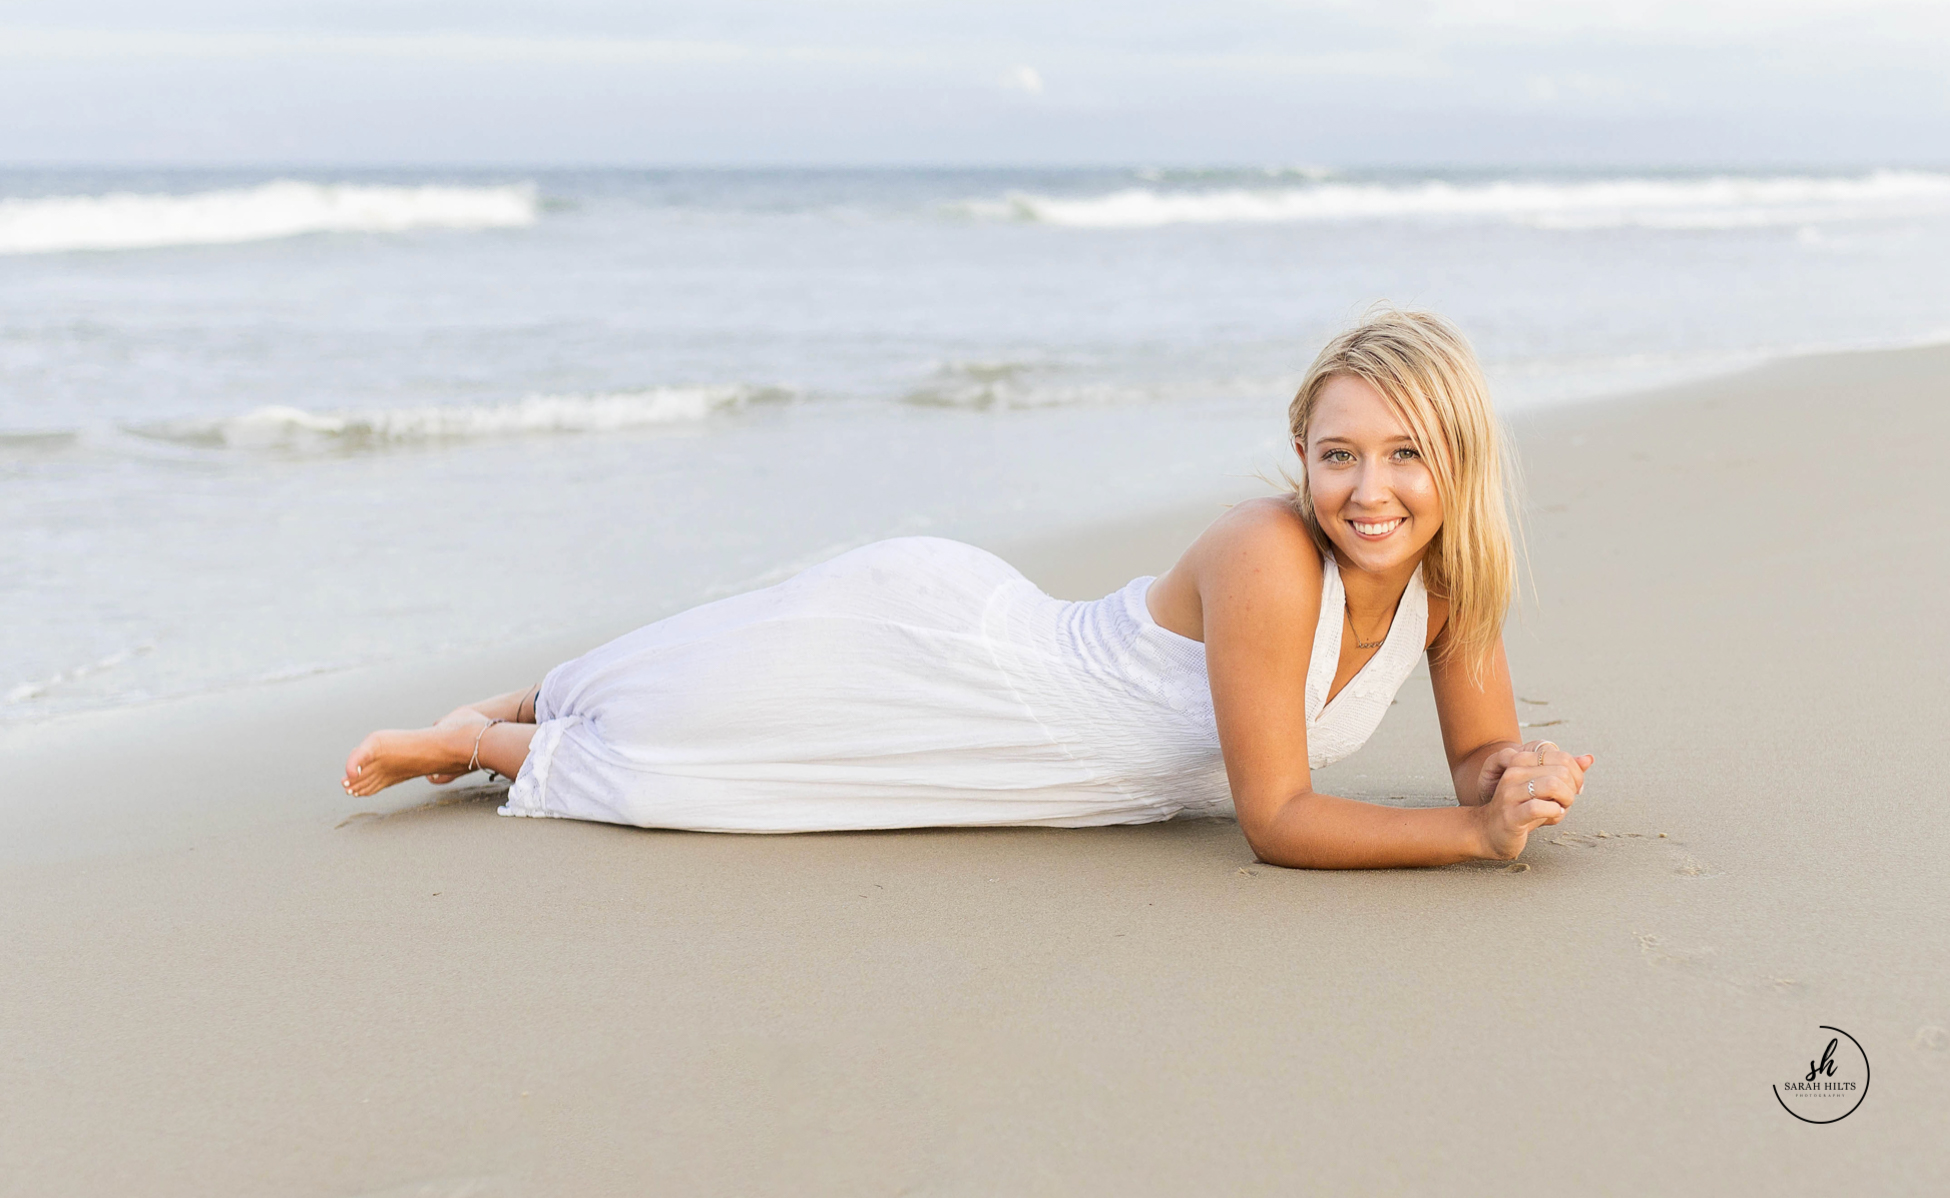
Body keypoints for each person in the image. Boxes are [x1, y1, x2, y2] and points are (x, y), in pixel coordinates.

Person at [342, 310, 1592, 868]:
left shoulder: (1450, 589)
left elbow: (1482, 762)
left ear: (1457, 460)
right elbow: (1278, 821)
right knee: (686, 739)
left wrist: (1517, 778)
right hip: (955, 661)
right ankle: (483, 732)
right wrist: (1469, 836)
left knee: (709, 774)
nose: (1369, 492)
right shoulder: (1271, 554)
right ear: (1302, 457)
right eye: (1338, 454)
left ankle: (488, 736)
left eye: (1405, 452)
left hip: (1039, 757)